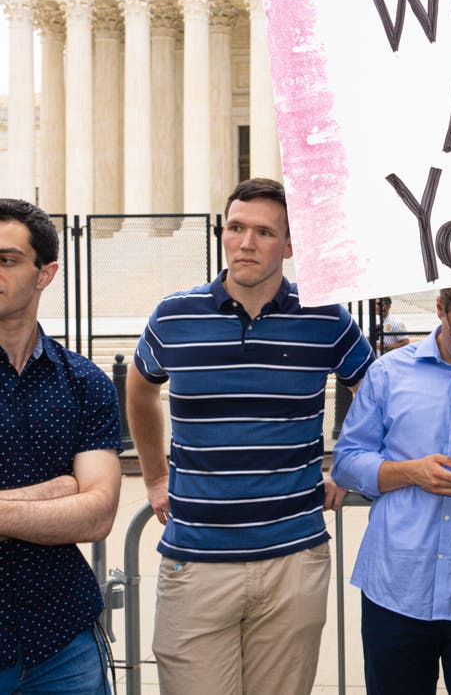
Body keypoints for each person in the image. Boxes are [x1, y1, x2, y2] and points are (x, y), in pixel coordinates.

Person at [126, 178, 374, 695]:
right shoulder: (175, 315)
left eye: (264, 232)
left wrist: (346, 466)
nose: (246, 242)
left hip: (292, 558)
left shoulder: (326, 318)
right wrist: (154, 478)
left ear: (290, 245)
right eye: (236, 227)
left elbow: (377, 393)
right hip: (196, 561)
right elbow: (140, 388)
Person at [332, 283, 451, 695]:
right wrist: (409, 472)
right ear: (439, 308)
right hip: (397, 588)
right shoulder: (388, 372)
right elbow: (346, 461)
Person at [0, 199, 122, 694]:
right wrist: (58, 490)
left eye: (6, 260)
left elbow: (97, 516)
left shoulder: (84, 383)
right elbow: (83, 496)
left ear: (45, 273)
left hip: (62, 643)